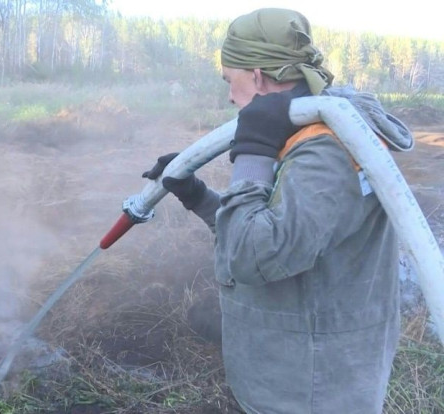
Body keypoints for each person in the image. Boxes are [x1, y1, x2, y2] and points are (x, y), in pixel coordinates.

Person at [142, 8, 414, 414]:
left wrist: (252, 152)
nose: (230, 97)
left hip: (313, 389)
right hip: (292, 376)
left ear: (255, 76)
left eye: (229, 81)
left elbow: (253, 255)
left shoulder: (328, 149)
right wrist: (196, 194)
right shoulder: (306, 134)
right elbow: (269, 229)